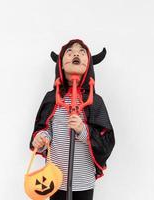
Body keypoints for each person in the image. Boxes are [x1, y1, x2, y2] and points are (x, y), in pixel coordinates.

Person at [29, 39, 115, 200]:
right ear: (60, 64)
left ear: (88, 64)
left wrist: (83, 130)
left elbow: (107, 139)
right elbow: (46, 129)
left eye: (82, 52)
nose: (76, 53)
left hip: (83, 179)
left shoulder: (95, 101)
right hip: (54, 177)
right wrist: (42, 138)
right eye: (70, 51)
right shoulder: (52, 98)